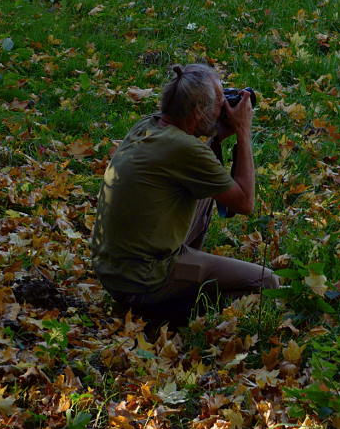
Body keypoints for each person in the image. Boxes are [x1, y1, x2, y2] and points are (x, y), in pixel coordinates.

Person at [91, 62, 280, 320]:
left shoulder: (148, 126)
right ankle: (171, 310)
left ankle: (182, 279)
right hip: (144, 280)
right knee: (266, 282)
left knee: (204, 194)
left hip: (115, 269)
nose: (224, 108)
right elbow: (244, 203)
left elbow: (200, 169)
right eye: (218, 103)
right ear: (197, 113)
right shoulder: (185, 149)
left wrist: (217, 137)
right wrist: (243, 132)